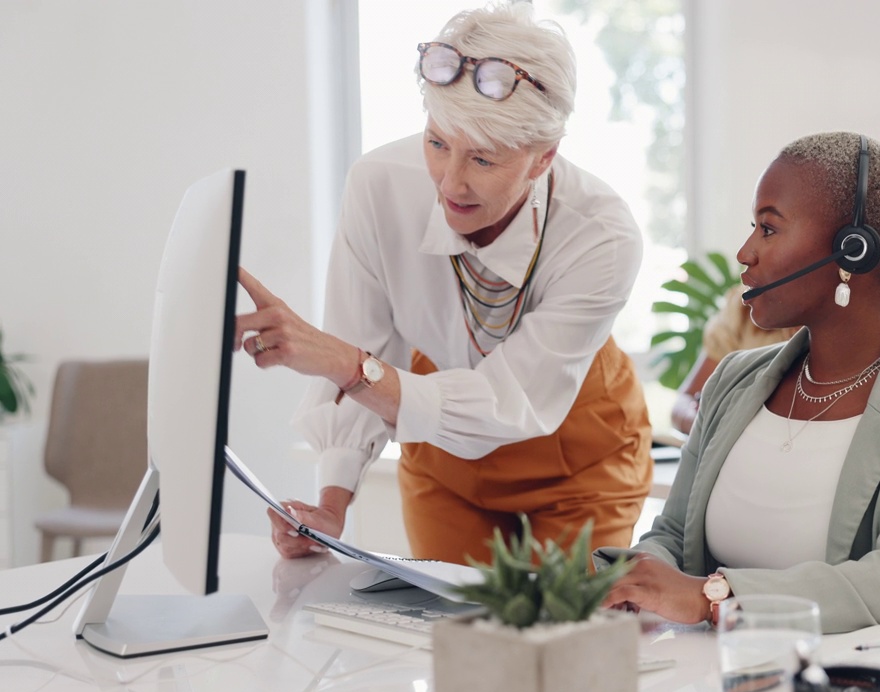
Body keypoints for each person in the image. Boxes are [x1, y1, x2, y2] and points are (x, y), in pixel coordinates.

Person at [235, 2, 652, 566]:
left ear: (541, 159)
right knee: (449, 637)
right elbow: (369, 345)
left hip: (579, 449)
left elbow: (508, 399)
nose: (449, 182)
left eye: (482, 159)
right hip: (439, 453)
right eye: (437, 143)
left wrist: (349, 366)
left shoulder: (602, 234)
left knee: (561, 637)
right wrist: (331, 506)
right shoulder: (378, 185)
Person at [598, 132, 880, 634]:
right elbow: (671, 533)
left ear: (852, 251)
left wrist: (713, 597)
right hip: (709, 678)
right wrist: (640, 583)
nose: (745, 252)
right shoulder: (734, 380)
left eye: (769, 229)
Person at [670, 280, 880, 435]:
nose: (744, 252)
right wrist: (699, 421)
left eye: (768, 230)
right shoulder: (744, 304)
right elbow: (687, 399)